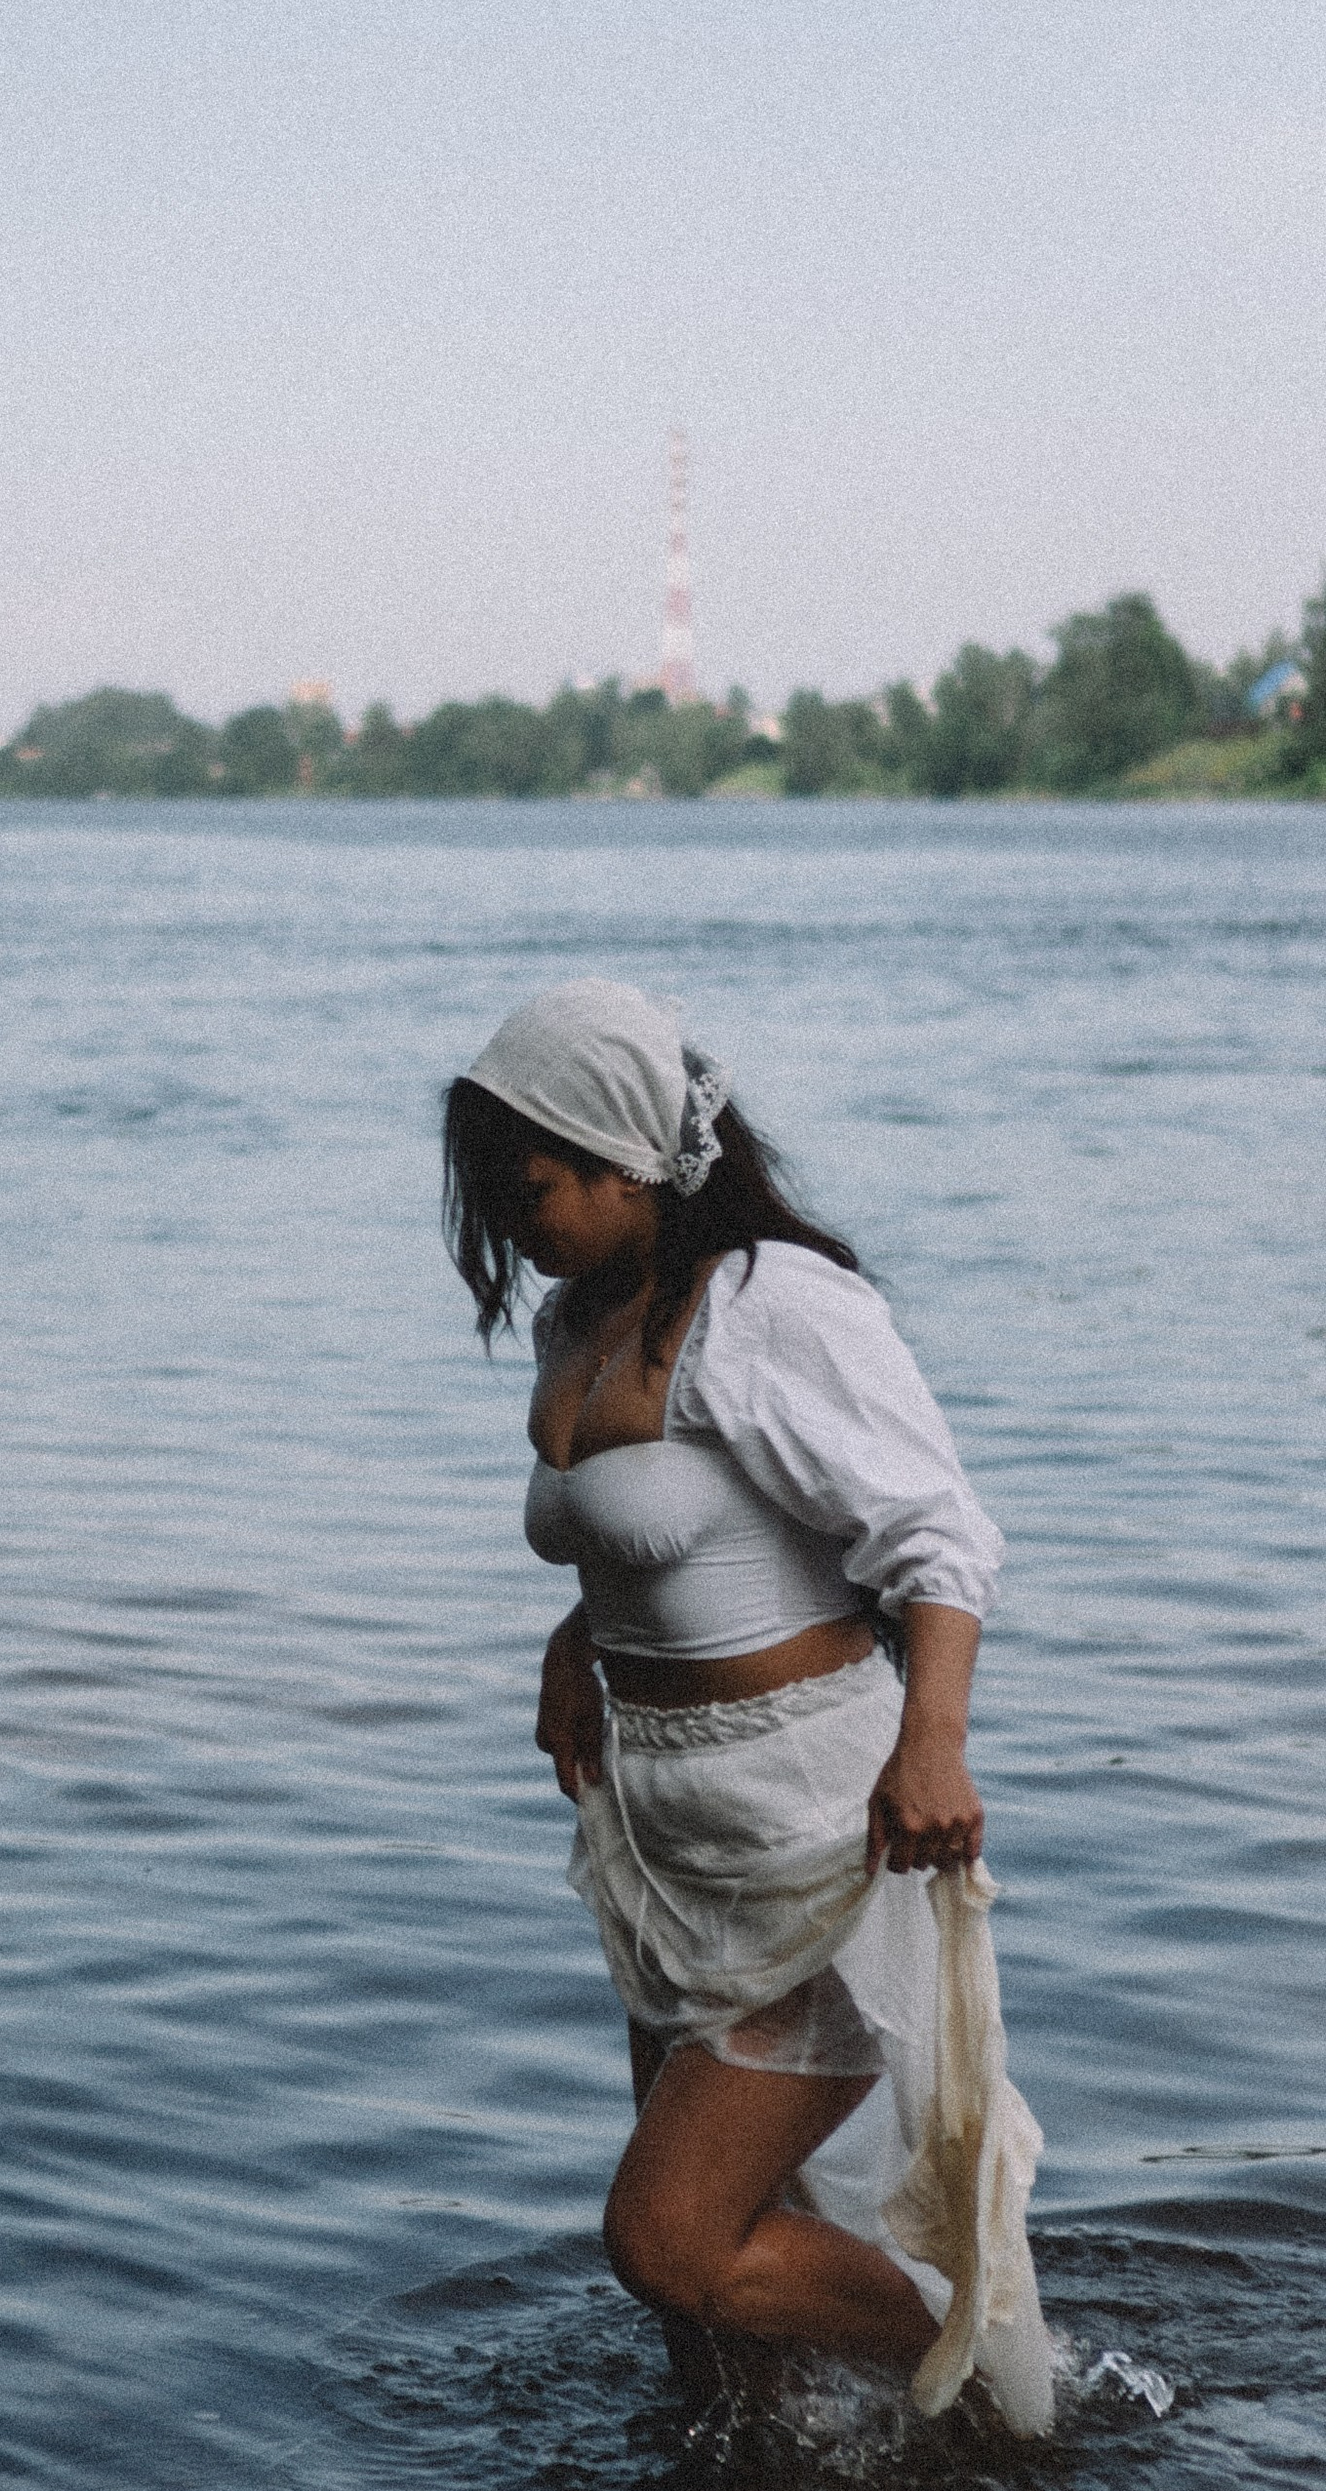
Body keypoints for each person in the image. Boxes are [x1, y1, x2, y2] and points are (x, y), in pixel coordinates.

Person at [445, 977, 1048, 2416]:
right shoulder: (581, 1315)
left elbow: (939, 1537)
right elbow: (670, 1534)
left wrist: (937, 1744)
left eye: (530, 1189)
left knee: (670, 2240)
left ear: (617, 1150)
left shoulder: (775, 1305)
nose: (512, 1227)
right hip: (667, 1842)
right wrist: (578, 1640)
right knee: (710, 2335)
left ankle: (988, 2387)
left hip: (814, 1837)